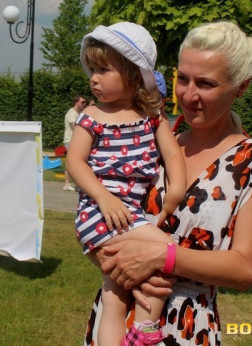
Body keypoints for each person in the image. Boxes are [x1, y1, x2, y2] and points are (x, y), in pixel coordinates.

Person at [83, 21, 252, 345]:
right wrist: (108, 258)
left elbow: (245, 269)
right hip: (117, 310)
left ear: (241, 87)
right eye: (183, 79)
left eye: (206, 83)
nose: (188, 95)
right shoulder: (156, 140)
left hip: (185, 326)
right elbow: (101, 209)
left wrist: (163, 257)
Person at [67, 22, 187, 345]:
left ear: (133, 74)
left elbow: (172, 155)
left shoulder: (151, 115)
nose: (93, 78)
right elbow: (75, 162)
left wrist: (175, 192)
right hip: (100, 214)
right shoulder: (92, 116)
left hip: (127, 217)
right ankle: (146, 331)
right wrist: (103, 197)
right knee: (166, 251)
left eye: (103, 69)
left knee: (115, 296)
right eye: (92, 69)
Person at [62, 94, 88, 191]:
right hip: (70, 140)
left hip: (74, 141)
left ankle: (72, 184)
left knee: (74, 162)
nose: (84, 104)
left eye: (85, 102)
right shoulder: (72, 113)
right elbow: (76, 128)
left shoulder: (78, 113)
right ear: (76, 102)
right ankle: (67, 184)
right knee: (72, 162)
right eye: (82, 102)